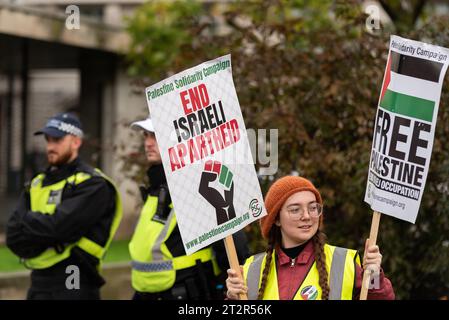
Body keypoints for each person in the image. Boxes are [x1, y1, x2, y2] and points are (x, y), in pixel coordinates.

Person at [128, 117, 249, 300]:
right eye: (146, 136)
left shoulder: (194, 187)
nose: (148, 143)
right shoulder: (157, 186)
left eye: (155, 136)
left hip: (188, 293)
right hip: (148, 292)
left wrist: (233, 290)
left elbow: (233, 246)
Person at [6, 112, 122, 300]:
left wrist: (27, 222)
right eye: (48, 140)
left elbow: (57, 228)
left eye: (57, 140)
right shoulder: (37, 183)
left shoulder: (93, 184)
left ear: (76, 142)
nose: (50, 147)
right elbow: (12, 233)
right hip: (39, 280)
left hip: (74, 276)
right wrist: (43, 227)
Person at [226, 176, 395, 300]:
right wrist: (233, 299)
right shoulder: (250, 271)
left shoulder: (344, 262)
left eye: (313, 208)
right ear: (276, 219)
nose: (307, 216)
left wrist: (373, 275)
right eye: (295, 209)